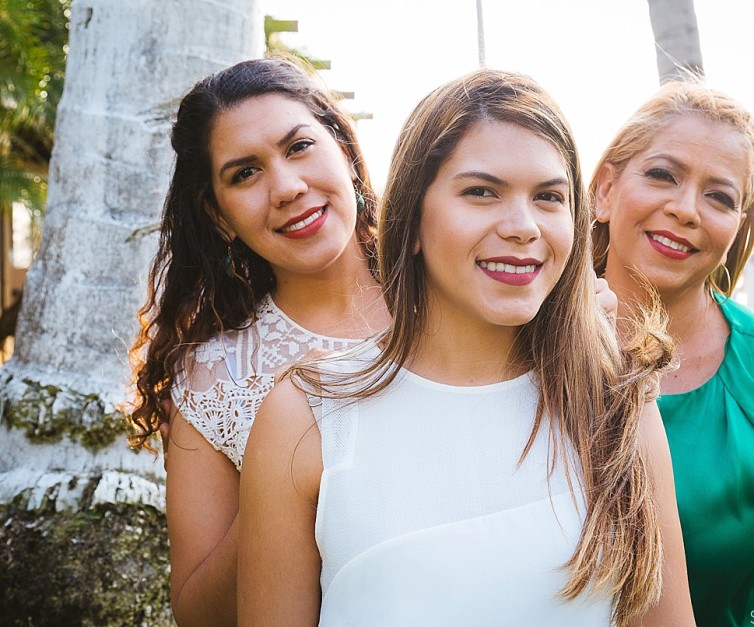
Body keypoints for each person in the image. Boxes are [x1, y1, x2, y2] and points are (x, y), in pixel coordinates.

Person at [238, 68, 695, 626]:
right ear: (410, 223)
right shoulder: (305, 415)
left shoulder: (616, 400)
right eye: (481, 192)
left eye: (549, 197)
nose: (524, 226)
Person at [125, 56, 389, 627]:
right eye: (244, 173)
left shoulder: (455, 298)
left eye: (298, 147)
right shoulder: (215, 378)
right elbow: (199, 614)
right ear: (218, 216)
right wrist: (278, 481)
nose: (287, 188)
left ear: (343, 147)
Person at [590, 80, 754, 626]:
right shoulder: (514, 346)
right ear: (604, 189)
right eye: (662, 175)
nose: (686, 209)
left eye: (720, 196)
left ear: (738, 226)